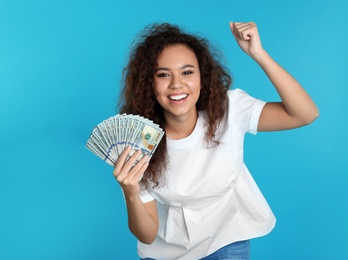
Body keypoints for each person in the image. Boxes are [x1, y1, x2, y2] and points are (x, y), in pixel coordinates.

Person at [114, 21, 319, 259]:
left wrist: (258, 54)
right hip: (167, 251)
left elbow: (305, 114)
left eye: (187, 72)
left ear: (203, 78)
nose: (176, 84)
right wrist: (130, 192)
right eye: (163, 75)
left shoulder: (229, 110)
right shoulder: (140, 142)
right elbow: (147, 235)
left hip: (226, 238)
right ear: (150, 84)